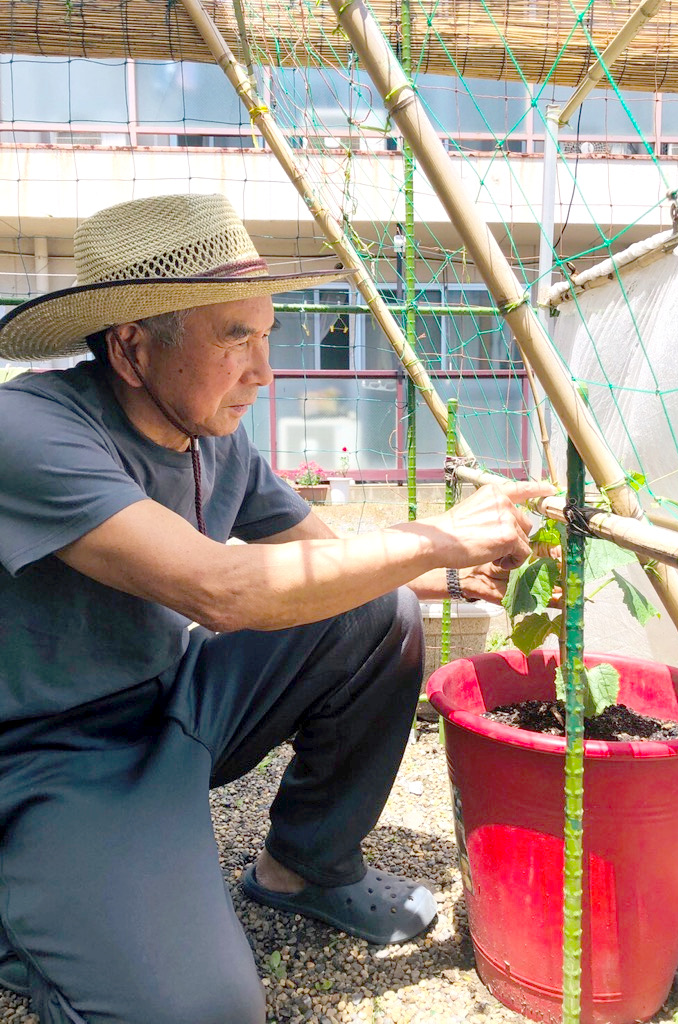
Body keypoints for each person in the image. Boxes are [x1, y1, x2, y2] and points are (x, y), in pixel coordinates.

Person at [0, 193, 554, 1024]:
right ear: (130, 345)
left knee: (380, 616)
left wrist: (459, 573)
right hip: (53, 752)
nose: (264, 373)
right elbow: (219, 590)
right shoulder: (30, 430)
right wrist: (440, 536)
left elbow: (328, 563)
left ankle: (305, 866)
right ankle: (48, 924)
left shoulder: (214, 437)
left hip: (171, 700)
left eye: (267, 335)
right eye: (234, 340)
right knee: (204, 1011)